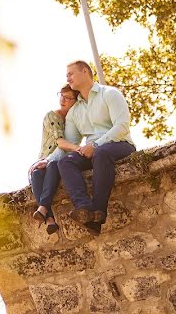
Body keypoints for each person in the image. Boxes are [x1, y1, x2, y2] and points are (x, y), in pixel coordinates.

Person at [57, 60, 136, 236]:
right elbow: (70, 142)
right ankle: (84, 208)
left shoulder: (109, 94)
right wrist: (46, 161)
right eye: (66, 75)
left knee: (101, 152)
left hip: (120, 144)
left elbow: (122, 126)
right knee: (65, 162)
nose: (67, 77)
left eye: (71, 73)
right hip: (93, 151)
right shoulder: (74, 111)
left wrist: (95, 145)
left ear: (85, 72)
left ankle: (98, 212)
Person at [29, 84, 80, 235]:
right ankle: (49, 218)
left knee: (54, 165)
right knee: (37, 173)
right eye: (61, 95)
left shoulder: (74, 119)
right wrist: (78, 149)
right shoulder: (52, 116)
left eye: (68, 97)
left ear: (75, 101)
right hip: (45, 157)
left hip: (58, 160)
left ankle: (45, 211)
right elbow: (60, 142)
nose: (63, 100)